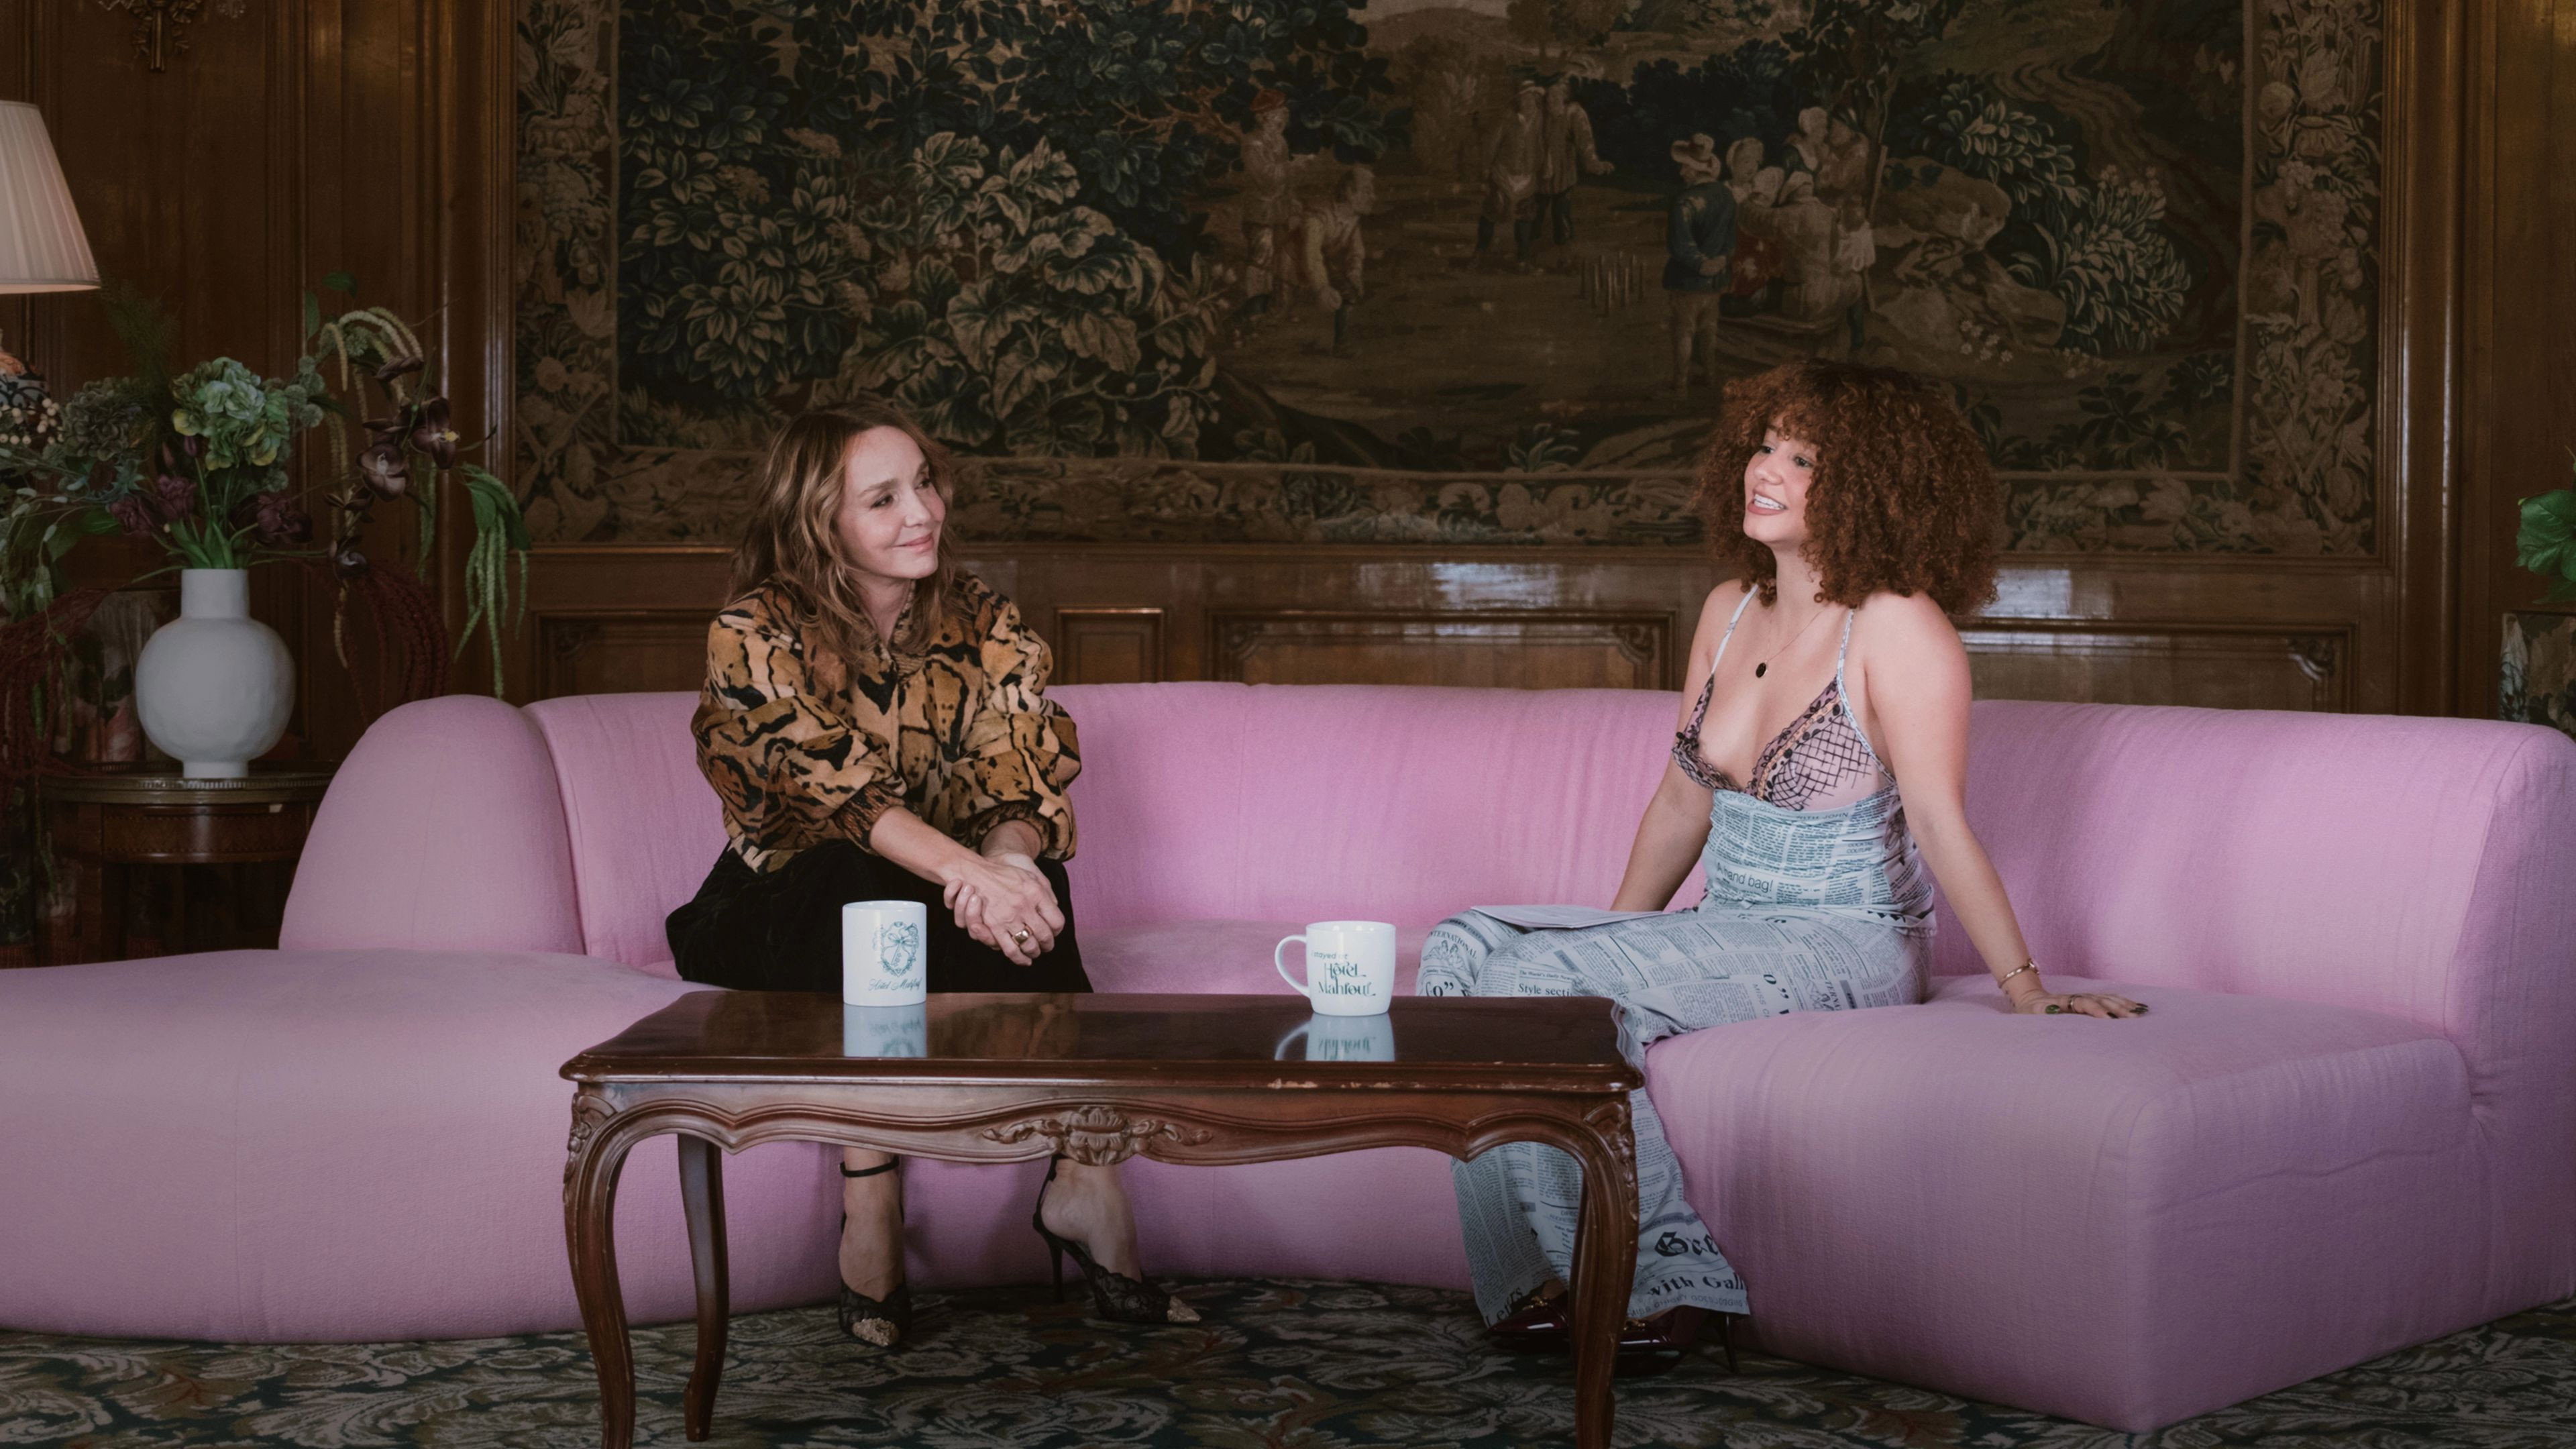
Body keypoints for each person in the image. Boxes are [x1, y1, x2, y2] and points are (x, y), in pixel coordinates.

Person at [1418, 360, 2145, 1374]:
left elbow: (1939, 823)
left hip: (1847, 937)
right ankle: (1530, 1283)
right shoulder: (1727, 609)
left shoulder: (1898, 627)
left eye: (1804, 460)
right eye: (1765, 446)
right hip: (1733, 919)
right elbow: (1683, 801)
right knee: (1459, 953)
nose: (1766, 470)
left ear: (1872, 488)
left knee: (1538, 981)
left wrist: (2027, 991)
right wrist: (1611, 946)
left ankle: (1661, 1286)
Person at [667, 400, 1199, 1348]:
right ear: (818, 522)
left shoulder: (982, 618)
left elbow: (1019, 772)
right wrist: (974, 876)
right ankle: (869, 1190)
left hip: (934, 895)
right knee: (861, 888)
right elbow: (840, 797)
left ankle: (1086, 1179)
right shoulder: (753, 629)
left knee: (1039, 880)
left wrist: (1008, 863)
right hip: (778, 902)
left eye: (924, 483)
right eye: (883, 499)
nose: (923, 512)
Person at [1664, 134, 1735, 399]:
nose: (1682, 172)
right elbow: (1731, 240)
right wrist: (1721, 261)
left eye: (1685, 166)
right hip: (1716, 280)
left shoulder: (1684, 202)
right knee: (1708, 329)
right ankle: (1710, 377)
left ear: (1696, 169)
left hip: (1688, 280)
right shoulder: (1726, 196)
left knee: (1684, 331)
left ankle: (1680, 387)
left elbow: (1680, 246)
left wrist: (1702, 264)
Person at [1537, 76, 1613, 250]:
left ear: (1565, 97)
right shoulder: (1540, 114)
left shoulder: (1574, 114)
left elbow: (1585, 143)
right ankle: (1532, 251)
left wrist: (1594, 164)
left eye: (1556, 96)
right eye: (1549, 95)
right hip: (1539, 175)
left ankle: (1564, 251)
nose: (1551, 99)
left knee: (1561, 214)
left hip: (1563, 175)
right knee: (1534, 214)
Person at [1479, 80, 1548, 266]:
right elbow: (1492, 144)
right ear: (1518, 101)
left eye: (1531, 98)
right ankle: (1480, 252)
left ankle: (1523, 259)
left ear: (1536, 99)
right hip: (1503, 173)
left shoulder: (1542, 120)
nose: (1528, 103)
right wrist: (1486, 168)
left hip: (1528, 176)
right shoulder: (1507, 119)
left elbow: (1546, 145)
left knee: (1526, 216)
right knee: (1493, 210)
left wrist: (1545, 165)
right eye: (1524, 99)